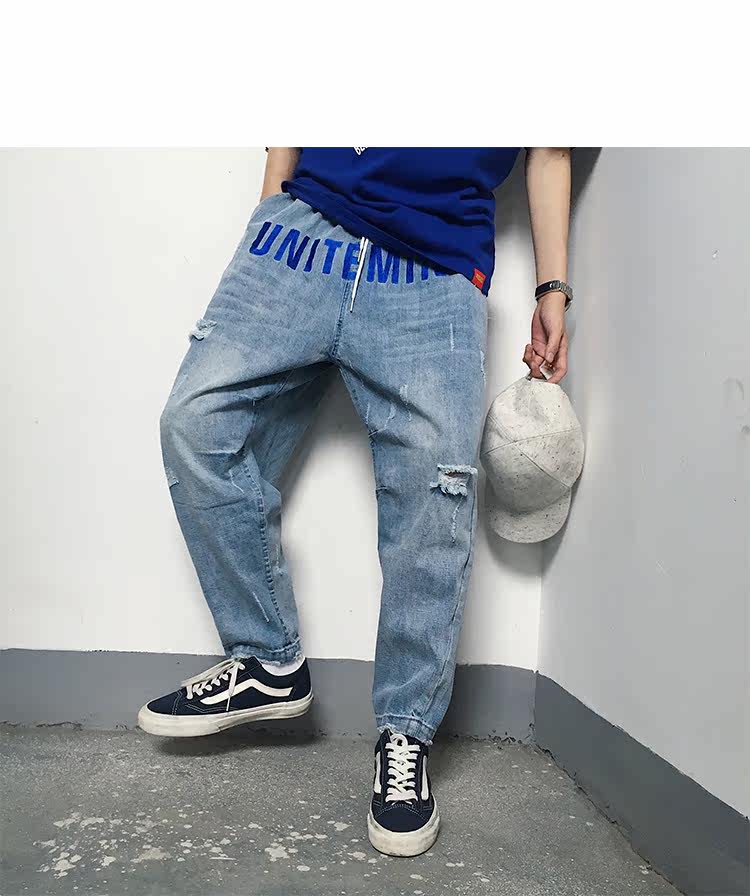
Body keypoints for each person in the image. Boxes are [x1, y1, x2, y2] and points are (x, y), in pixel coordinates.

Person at [138, 147, 571, 856]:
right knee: (196, 424)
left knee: (436, 490)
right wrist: (271, 204)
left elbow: (549, 150)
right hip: (302, 230)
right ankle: (267, 661)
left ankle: (405, 735)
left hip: (437, 265)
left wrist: (552, 289)